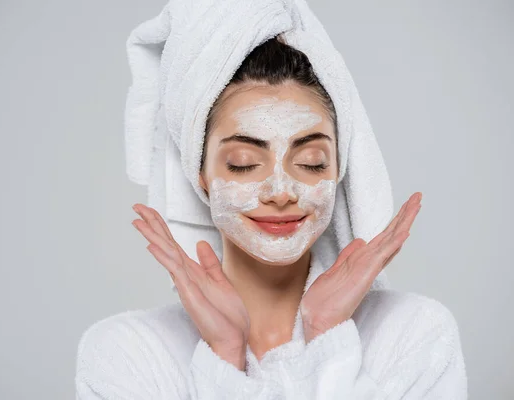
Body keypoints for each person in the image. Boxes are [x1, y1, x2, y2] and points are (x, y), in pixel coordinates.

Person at [75, 4, 467, 400]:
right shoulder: (130, 356)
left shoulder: (413, 335)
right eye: (244, 164)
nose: (281, 191)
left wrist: (327, 339)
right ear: (202, 176)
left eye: (310, 162)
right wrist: (224, 357)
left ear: (337, 171)